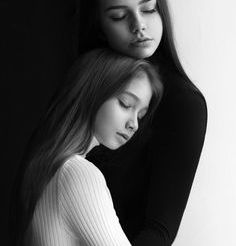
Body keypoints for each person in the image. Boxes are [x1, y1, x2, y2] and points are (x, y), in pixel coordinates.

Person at [76, 0, 208, 245]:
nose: (139, 26)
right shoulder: (83, 83)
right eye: (119, 16)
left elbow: (159, 232)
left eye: (149, 9)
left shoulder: (182, 104)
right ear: (98, 24)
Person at [15, 48, 163, 246]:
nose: (134, 124)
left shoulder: (46, 165)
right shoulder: (78, 174)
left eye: (140, 115)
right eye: (126, 104)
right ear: (93, 91)